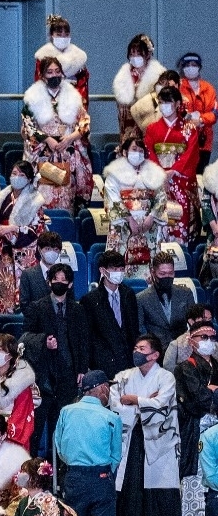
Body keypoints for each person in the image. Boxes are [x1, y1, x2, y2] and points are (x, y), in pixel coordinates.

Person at [113, 334, 183, 516]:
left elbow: (162, 404)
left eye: (142, 348)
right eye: (135, 347)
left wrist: (135, 400)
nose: (137, 352)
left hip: (158, 441)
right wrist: (144, 402)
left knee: (158, 488)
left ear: (155, 355)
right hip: (132, 437)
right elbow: (116, 402)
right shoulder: (123, 377)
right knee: (130, 487)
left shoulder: (166, 377)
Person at [55, 369, 122, 516]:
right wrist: (103, 470)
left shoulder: (66, 412)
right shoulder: (112, 417)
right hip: (101, 476)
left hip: (74, 475)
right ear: (102, 388)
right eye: (108, 388)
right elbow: (115, 455)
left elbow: (60, 447)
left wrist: (76, 464)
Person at [21, 263, 90, 457]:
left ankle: (59, 474)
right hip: (43, 377)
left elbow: (84, 342)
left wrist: (82, 369)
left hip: (68, 375)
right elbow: (25, 337)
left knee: (61, 429)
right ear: (49, 282)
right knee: (36, 429)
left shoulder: (78, 310)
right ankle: (33, 469)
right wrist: (44, 341)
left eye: (63, 280)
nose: (59, 283)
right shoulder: (37, 307)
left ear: (69, 284)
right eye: (56, 279)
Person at [22, 57, 93, 213]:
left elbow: (84, 121)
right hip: (44, 151)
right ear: (42, 76)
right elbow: (27, 125)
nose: (54, 75)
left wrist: (70, 138)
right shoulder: (34, 97)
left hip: (67, 150)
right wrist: (47, 139)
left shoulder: (73, 96)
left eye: (57, 71)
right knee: (44, 193)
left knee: (66, 194)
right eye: (49, 72)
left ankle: (66, 227)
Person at [174, 320, 218, 516]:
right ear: (191, 341)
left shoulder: (217, 367)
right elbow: (195, 400)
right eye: (203, 337)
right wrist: (210, 394)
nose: (209, 342)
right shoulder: (184, 368)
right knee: (194, 484)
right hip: (195, 430)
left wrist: (209, 391)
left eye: (212, 337)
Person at [103, 135, 168, 279]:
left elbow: (161, 198)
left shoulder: (153, 174)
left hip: (148, 227)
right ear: (125, 152)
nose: (138, 153)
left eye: (141, 150)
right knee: (119, 263)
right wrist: (129, 219)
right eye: (134, 149)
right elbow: (112, 198)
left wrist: (151, 217)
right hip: (123, 226)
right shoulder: (114, 174)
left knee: (150, 265)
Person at [0, 162, 47, 314]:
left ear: (29, 179)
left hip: (25, 252)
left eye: (22, 175)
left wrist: (15, 230)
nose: (17, 178)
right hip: (3, 251)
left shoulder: (35, 200)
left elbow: (38, 228)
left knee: (25, 293)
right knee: (3, 290)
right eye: (14, 173)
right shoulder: (1, 197)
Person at [144, 86, 200, 244]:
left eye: (167, 102)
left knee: (180, 222)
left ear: (177, 104)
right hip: (159, 181)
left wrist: (173, 171)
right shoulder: (152, 129)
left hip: (181, 181)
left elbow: (191, 154)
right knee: (159, 224)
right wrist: (161, 174)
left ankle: (180, 255)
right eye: (160, 102)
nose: (163, 106)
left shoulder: (189, 129)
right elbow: (149, 152)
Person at [80, 251, 141, 380]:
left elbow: (134, 330)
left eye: (121, 269)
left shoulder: (129, 295)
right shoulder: (90, 300)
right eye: (114, 269)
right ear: (103, 270)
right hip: (104, 364)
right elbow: (87, 337)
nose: (118, 272)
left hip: (128, 362)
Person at [137, 251, 193, 351]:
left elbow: (194, 324)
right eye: (162, 274)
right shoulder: (141, 299)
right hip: (157, 352)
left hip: (183, 349)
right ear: (153, 273)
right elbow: (140, 331)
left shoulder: (186, 293)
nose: (167, 277)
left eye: (170, 273)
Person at [113, 34, 167, 139]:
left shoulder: (159, 75)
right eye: (132, 53)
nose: (135, 57)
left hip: (149, 120)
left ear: (148, 54)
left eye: (139, 53)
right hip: (128, 121)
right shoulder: (124, 75)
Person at [33, 15, 89, 107]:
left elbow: (83, 82)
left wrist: (79, 101)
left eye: (66, 35)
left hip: (73, 99)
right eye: (59, 35)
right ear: (51, 35)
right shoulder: (43, 55)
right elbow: (39, 82)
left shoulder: (79, 57)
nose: (63, 38)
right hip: (50, 99)